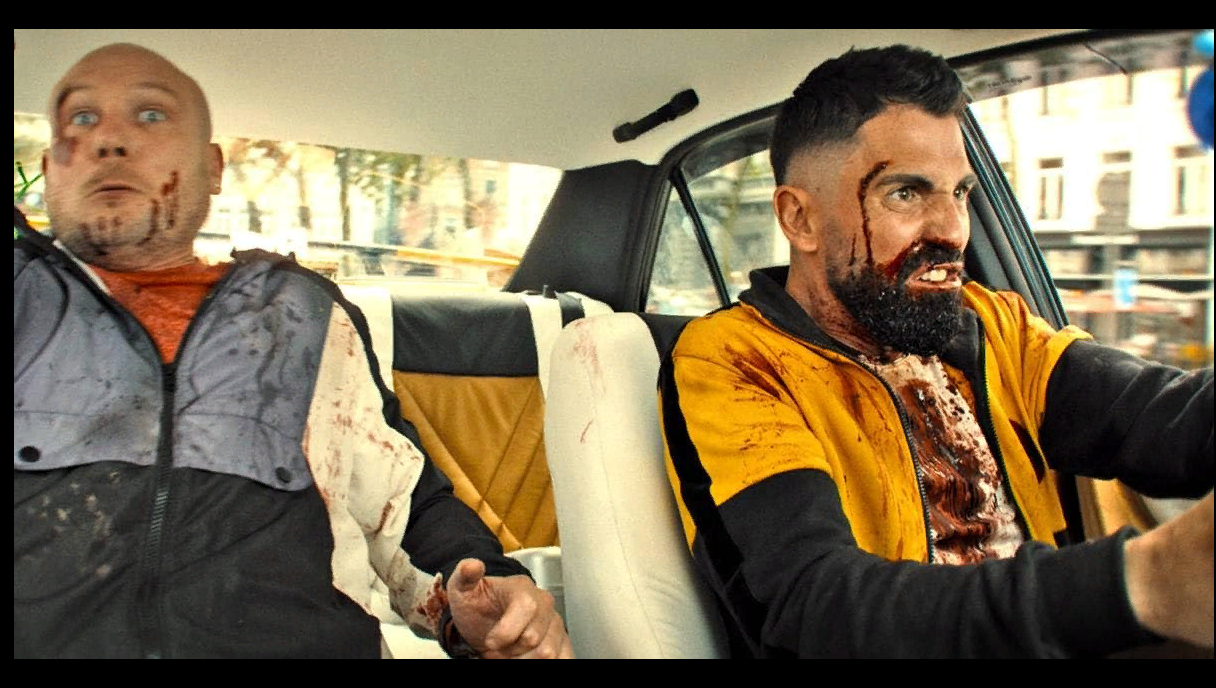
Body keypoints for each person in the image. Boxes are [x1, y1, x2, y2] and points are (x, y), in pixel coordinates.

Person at [14, 42, 572, 659]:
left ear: (213, 168)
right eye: (82, 118)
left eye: (150, 114)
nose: (109, 140)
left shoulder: (306, 315)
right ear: (49, 168)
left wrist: (482, 589)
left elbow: (403, 502)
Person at [659, 44, 1213, 658]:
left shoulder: (993, 326)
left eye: (961, 193)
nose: (953, 230)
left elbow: (1162, 413)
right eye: (905, 193)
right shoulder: (736, 361)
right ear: (800, 219)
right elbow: (815, 607)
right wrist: (1142, 582)